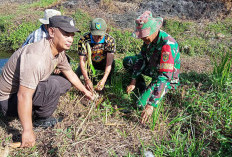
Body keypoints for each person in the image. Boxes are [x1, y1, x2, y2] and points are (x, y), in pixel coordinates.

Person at [0, 15, 94, 148]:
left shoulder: (58, 51)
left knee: (65, 82)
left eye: (72, 35)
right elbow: (23, 95)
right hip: (8, 101)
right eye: (66, 34)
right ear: (51, 32)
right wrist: (27, 131)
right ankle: (41, 119)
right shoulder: (36, 57)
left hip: (20, 94)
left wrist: (86, 91)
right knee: (53, 85)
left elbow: (70, 73)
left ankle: (38, 107)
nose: (70, 39)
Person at [123, 11, 180, 124]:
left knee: (141, 105)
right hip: (153, 69)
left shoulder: (167, 45)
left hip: (166, 78)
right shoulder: (149, 40)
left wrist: (151, 105)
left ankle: (149, 93)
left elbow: (164, 77)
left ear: (154, 29)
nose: (143, 39)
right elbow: (141, 58)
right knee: (128, 61)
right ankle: (141, 85)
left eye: (144, 35)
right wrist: (133, 80)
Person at [76, 18, 116, 92]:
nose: (97, 39)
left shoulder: (110, 41)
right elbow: (82, 61)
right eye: (94, 35)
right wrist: (86, 79)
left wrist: (104, 79)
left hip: (104, 62)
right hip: (90, 63)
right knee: (77, 74)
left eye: (100, 36)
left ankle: (107, 80)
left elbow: (109, 63)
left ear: (105, 31)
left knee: (112, 63)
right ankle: (91, 80)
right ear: (90, 30)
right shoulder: (83, 40)